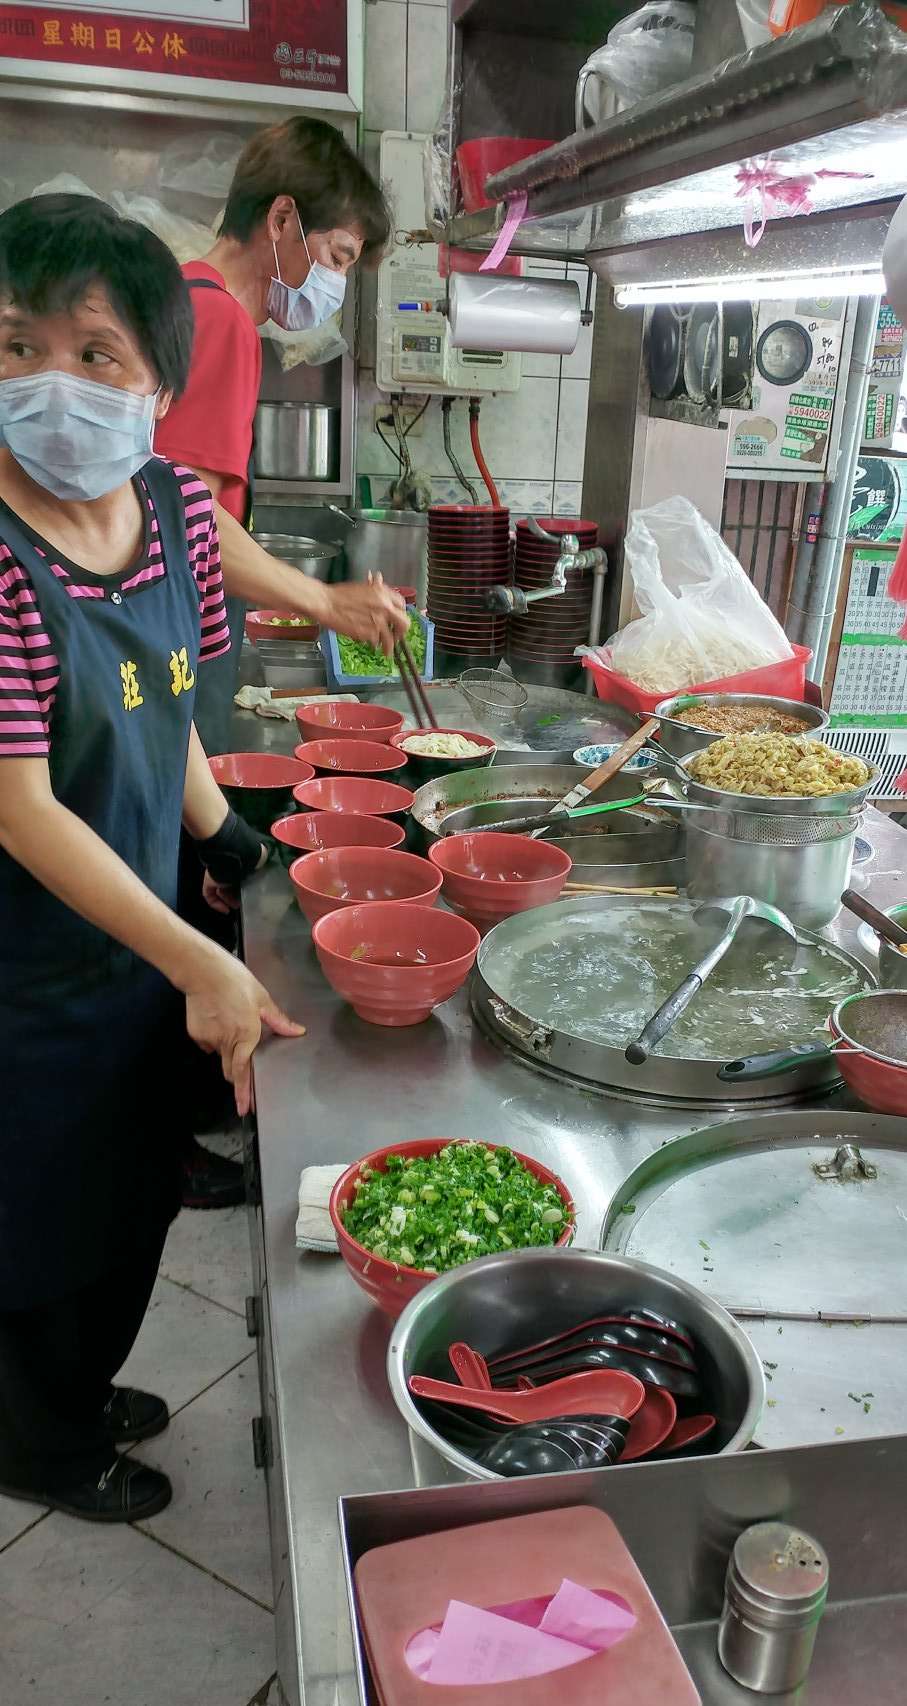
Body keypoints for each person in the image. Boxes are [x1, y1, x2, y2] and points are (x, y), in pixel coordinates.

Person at [0, 194, 303, 1523]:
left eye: (92, 353)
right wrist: (197, 956)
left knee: (128, 1202)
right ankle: (38, 1442)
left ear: (161, 385)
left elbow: (168, 704)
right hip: (27, 977)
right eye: (14, 347)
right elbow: (21, 808)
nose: (47, 384)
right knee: (34, 1231)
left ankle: (70, 1391)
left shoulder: (177, 507)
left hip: (135, 949)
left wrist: (225, 836)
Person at [155, 115, 409, 1207]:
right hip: (161, 652)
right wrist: (329, 600)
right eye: (340, 260)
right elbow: (193, 522)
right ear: (284, 222)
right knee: (177, 875)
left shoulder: (173, 296)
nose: (335, 287)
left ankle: (185, 1106)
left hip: (150, 645)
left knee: (173, 869)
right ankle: (170, 1128)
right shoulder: (222, 319)